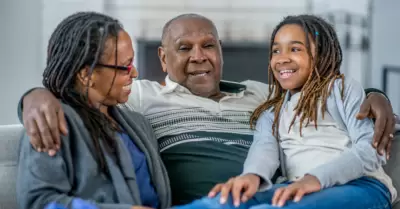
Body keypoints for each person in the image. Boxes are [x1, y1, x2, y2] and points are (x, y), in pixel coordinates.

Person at [18, 13, 397, 205]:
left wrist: (376, 93)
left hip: (279, 194)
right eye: (184, 48)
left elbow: (318, 88)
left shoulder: (265, 97)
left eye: (208, 46)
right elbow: (78, 89)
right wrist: (36, 96)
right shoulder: (138, 95)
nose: (199, 57)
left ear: (221, 51)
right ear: (163, 59)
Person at [204, 14, 396, 209]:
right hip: (295, 186)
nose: (282, 58)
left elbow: (372, 151)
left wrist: (316, 179)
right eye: (276, 50)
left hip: (360, 186)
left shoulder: (341, 89)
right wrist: (251, 177)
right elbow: (263, 152)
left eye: (295, 49)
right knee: (222, 202)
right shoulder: (271, 113)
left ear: (320, 54)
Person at [16, 11, 171, 209]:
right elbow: (40, 202)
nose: (135, 73)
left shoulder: (138, 123)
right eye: (125, 66)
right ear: (87, 75)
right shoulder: (51, 122)